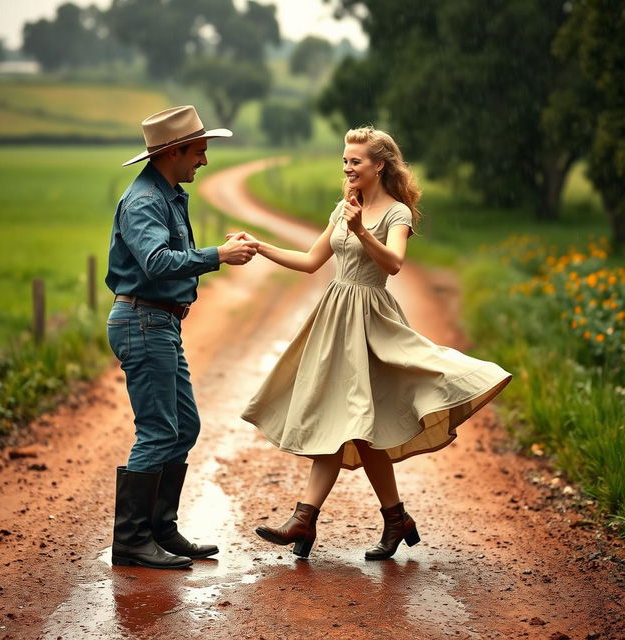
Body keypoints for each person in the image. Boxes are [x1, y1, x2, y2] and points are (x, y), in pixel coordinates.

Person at [237, 126, 512, 560]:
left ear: (379, 165)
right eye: (345, 161)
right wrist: (260, 246)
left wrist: (362, 231)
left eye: (356, 161)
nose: (348, 168)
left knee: (359, 426)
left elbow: (395, 263)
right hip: (334, 321)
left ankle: (310, 520)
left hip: (371, 325)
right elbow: (311, 262)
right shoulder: (343, 207)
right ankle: (370, 519)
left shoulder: (396, 213)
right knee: (350, 426)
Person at [105, 105, 258, 569]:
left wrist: (213, 251)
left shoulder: (167, 193)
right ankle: (131, 541)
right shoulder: (145, 201)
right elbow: (156, 262)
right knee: (157, 431)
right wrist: (217, 255)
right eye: (199, 152)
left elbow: (172, 254)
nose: (204, 162)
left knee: (184, 426)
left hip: (161, 322)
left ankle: (160, 529)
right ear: (174, 152)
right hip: (142, 321)